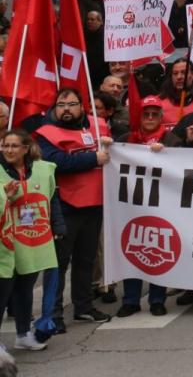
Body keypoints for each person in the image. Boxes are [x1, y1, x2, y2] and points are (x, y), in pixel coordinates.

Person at [35, 87, 111, 330]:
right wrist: (92, 159)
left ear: (82, 106)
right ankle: (53, 314)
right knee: (58, 264)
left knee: (85, 261)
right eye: (61, 105)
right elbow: (55, 162)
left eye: (71, 104)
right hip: (65, 207)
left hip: (94, 204)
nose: (66, 109)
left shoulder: (99, 126)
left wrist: (111, 145)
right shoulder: (45, 134)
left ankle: (83, 307)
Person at [0, 129, 59, 351]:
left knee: (25, 289)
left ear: (26, 149)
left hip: (33, 241)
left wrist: (58, 226)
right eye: (5, 145)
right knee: (2, 291)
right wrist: (3, 192)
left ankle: (23, 334)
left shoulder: (43, 170)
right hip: (4, 244)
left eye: (14, 146)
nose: (9, 150)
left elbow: (52, 199)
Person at [114, 97, 169, 318]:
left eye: (154, 114)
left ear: (161, 117)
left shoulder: (172, 140)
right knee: (133, 249)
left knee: (160, 251)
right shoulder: (127, 140)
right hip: (132, 205)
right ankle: (131, 300)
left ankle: (157, 299)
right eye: (145, 114)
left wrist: (166, 153)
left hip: (163, 205)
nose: (149, 118)